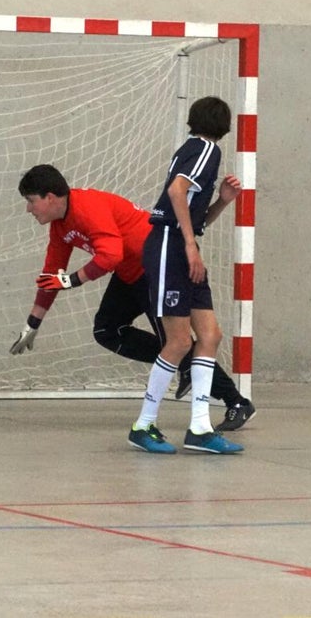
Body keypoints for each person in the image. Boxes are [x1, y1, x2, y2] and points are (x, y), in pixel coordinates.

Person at [10, 164, 256, 432]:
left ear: (50, 197)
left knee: (176, 342)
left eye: (32, 201)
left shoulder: (88, 207)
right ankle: (178, 362)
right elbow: (50, 275)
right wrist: (32, 324)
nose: (28, 209)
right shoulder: (60, 226)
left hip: (158, 267)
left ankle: (237, 402)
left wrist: (71, 280)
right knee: (107, 330)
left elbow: (110, 255)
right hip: (131, 273)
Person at [129, 96, 245, 454]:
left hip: (181, 242)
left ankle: (199, 428)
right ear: (224, 123)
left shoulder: (197, 148)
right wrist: (190, 246)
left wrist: (223, 200)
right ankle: (143, 424)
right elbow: (175, 191)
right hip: (169, 245)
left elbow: (193, 215)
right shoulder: (206, 148)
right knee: (179, 341)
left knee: (210, 334)